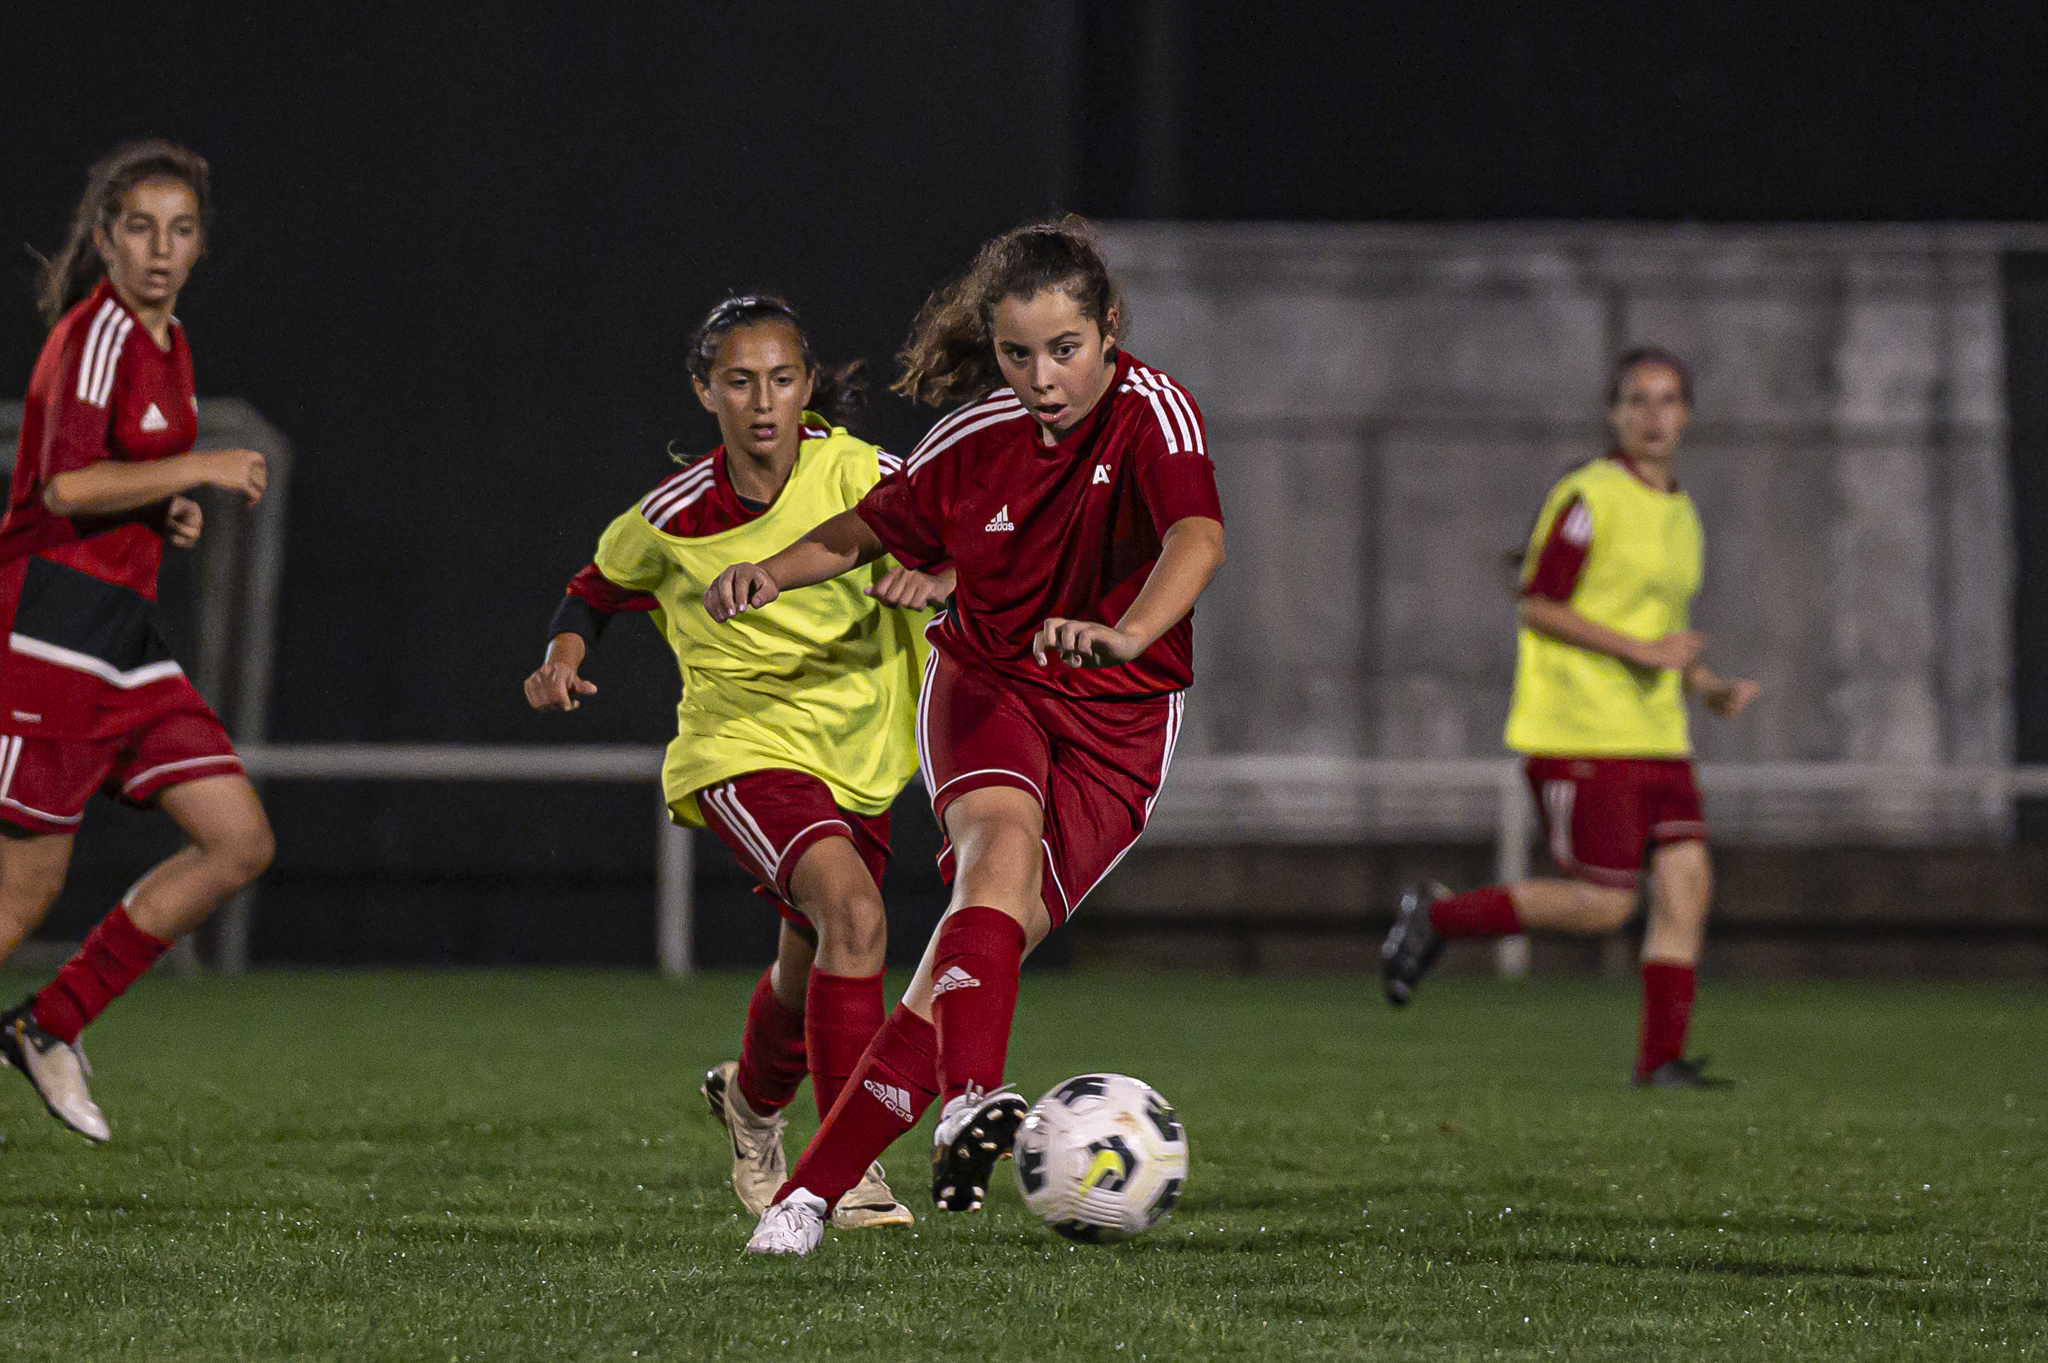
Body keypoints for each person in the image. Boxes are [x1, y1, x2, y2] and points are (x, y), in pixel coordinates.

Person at [705, 217, 1227, 1256]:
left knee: (955, 974)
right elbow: (864, 530)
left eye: (1064, 349)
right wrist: (776, 568)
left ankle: (805, 1198)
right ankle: (967, 1104)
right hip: (987, 682)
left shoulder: (1151, 412)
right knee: (992, 860)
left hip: (1119, 724)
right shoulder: (972, 440)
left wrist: (1122, 635)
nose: (1042, 377)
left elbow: (1196, 536)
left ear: (1109, 330)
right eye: (1017, 354)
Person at [525, 294, 951, 1229]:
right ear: (704, 391)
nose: (765, 401)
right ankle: (851, 1167)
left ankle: (752, 1105)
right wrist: (562, 658)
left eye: (784, 378)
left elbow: (972, 538)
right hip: (742, 747)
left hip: (861, 753)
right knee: (854, 910)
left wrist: (944, 574)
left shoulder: (864, 474)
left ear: (809, 384)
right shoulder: (672, 515)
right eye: (740, 381)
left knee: (814, 963)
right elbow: (592, 590)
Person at [1380, 347, 1758, 1088]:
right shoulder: (1590, 496)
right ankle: (1439, 917)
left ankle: (1661, 1062)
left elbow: (1663, 625)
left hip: (1658, 737)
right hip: (1584, 733)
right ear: (1614, 414)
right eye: (1638, 401)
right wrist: (1640, 649)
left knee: (1687, 886)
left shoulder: (1680, 512)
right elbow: (1538, 604)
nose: (1655, 416)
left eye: (1669, 400)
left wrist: (1705, 685)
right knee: (1603, 904)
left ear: (1687, 415)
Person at [0, 141, 276, 1140]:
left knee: (238, 839)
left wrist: (167, 509)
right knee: (21, 892)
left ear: (201, 244)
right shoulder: (99, 334)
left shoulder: (169, 340)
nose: (161, 248)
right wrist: (199, 468)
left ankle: (50, 1022)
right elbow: (64, 489)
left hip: (124, 639)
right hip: (52, 634)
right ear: (107, 236)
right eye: (141, 227)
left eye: (181, 229)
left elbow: (120, 477)